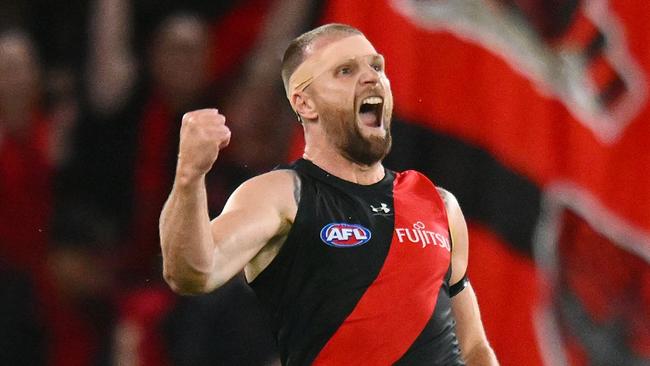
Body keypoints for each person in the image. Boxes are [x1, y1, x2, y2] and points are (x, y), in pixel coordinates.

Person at [160, 23, 498, 365]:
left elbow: (474, 348)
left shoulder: (438, 203)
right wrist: (190, 176)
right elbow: (193, 273)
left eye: (376, 66)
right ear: (305, 103)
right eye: (346, 70)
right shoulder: (282, 195)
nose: (371, 77)